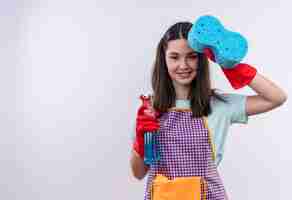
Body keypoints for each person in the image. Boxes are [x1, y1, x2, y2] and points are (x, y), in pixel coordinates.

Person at [129, 21, 287, 200]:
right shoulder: (149, 109)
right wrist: (140, 143)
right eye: (174, 57)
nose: (183, 65)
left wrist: (232, 65)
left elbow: (276, 97)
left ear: (202, 59)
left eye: (192, 56)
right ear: (163, 60)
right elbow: (139, 173)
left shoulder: (219, 105)